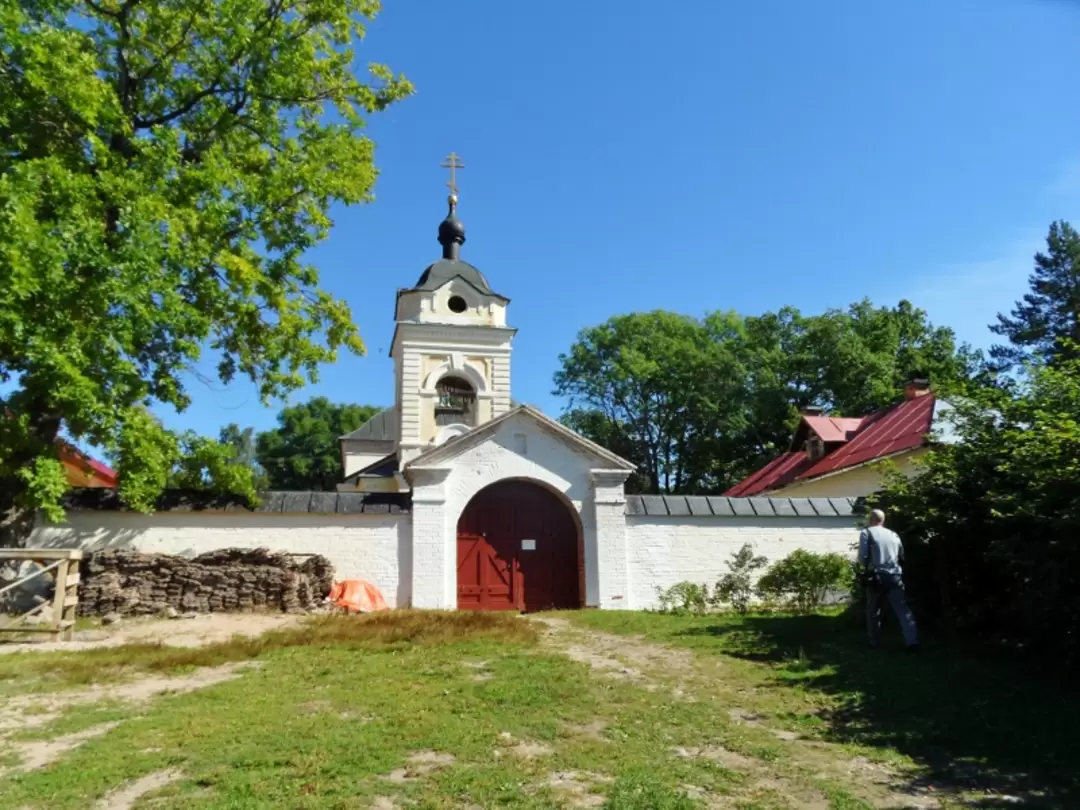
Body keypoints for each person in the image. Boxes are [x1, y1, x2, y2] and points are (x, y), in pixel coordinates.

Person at [857, 509, 919, 651]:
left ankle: (874, 643)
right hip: (895, 575)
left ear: (870, 519)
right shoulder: (893, 534)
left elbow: (863, 557)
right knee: (903, 610)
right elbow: (901, 555)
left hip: (876, 576)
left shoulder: (867, 532)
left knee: (873, 611)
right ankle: (912, 642)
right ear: (883, 520)